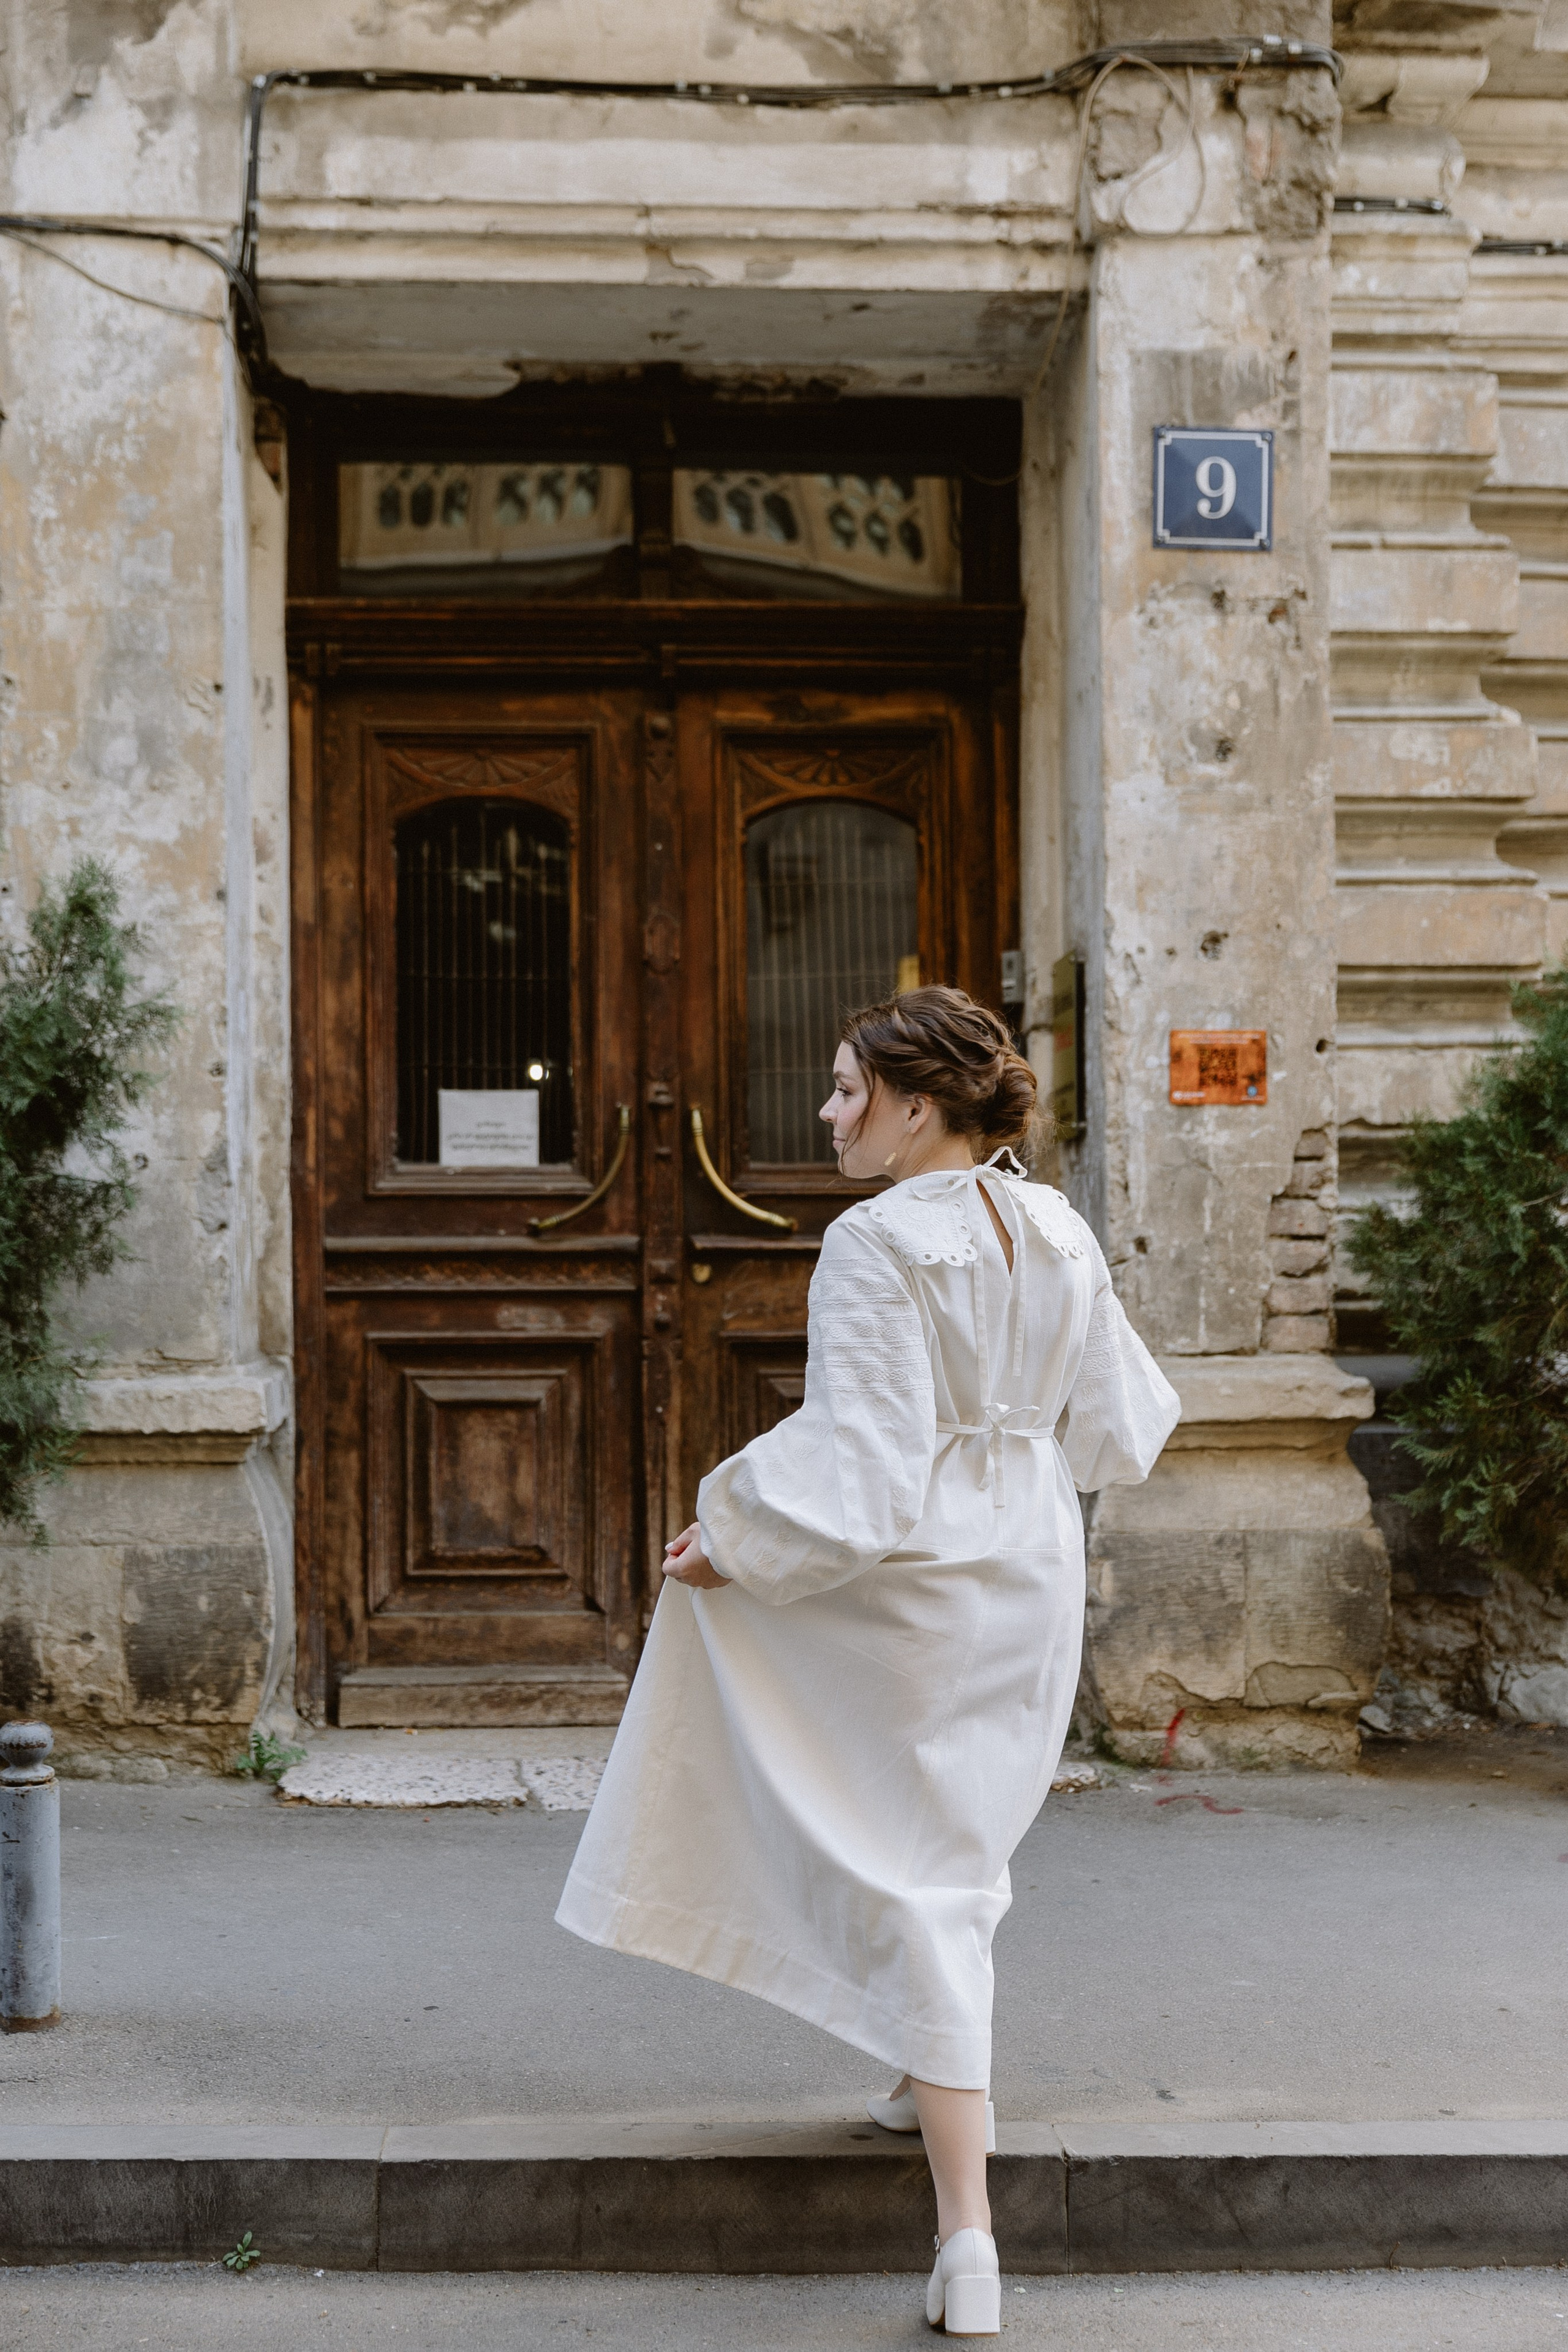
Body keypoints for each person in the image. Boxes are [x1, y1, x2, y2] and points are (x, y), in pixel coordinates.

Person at [557, 984, 1179, 2333]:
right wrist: (1006, 1452)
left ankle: (966, 2235)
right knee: (955, 1835)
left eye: (848, 1090)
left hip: (921, 1572)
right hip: (1027, 1559)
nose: (830, 1112)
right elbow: (1118, 1425)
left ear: (913, 1104)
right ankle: (916, 2064)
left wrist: (727, 1532)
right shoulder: (1057, 1224)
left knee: (913, 1854)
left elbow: (863, 1467)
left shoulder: (878, 1238)